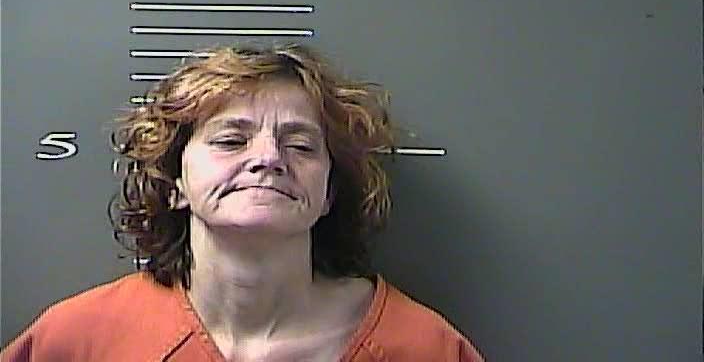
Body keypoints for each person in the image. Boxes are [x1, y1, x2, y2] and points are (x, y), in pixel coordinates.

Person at [1, 43, 485, 361]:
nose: (269, 158)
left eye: (301, 145)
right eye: (231, 141)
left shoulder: (424, 348)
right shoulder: (76, 340)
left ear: (329, 193)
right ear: (174, 183)